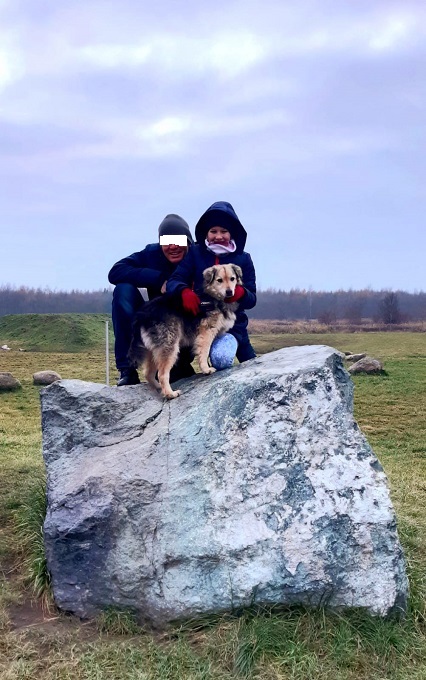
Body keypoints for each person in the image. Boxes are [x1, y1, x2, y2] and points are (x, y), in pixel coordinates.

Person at [166, 201, 257, 368]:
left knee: (222, 359)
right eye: (213, 231)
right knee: (173, 369)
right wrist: (183, 291)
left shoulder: (244, 259)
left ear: (232, 233)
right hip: (196, 323)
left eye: (224, 231)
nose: (218, 236)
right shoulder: (194, 253)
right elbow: (174, 280)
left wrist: (241, 293)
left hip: (231, 327)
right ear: (206, 233)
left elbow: (252, 299)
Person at [108, 214, 195, 386]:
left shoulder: (198, 256)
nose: (172, 247)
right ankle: (127, 369)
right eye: (166, 242)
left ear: (188, 241)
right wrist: (158, 279)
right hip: (155, 325)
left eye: (178, 241)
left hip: (186, 330)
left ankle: (180, 365)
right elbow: (115, 272)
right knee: (123, 290)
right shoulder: (151, 254)